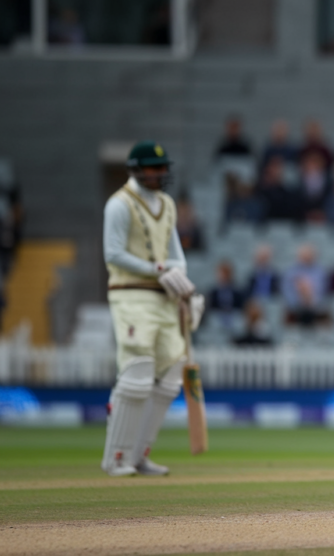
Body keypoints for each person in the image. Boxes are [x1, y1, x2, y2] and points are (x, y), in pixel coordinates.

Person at [101, 141, 204, 477]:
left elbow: (177, 256)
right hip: (131, 295)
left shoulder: (167, 205)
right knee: (136, 378)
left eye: (163, 168)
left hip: (164, 298)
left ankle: (139, 455)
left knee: (170, 378)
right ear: (136, 169)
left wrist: (181, 285)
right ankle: (115, 458)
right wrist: (160, 270)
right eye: (153, 167)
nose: (160, 173)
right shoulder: (119, 205)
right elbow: (113, 254)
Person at [256, 156, 299, 222]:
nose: (276, 170)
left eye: (279, 166)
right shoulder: (258, 192)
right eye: (274, 166)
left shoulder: (289, 196)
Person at [207, 260, 247, 330]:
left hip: (234, 319)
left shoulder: (238, 293)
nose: (222, 277)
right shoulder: (213, 293)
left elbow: (241, 309)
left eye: (224, 274)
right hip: (218, 319)